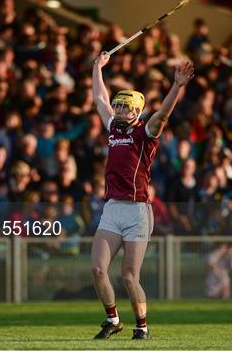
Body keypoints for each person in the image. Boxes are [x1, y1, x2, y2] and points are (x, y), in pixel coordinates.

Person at [91, 51, 194, 340]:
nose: (119, 110)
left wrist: (177, 86)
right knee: (99, 269)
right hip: (113, 208)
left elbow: (163, 114)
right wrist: (97, 67)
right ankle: (112, 319)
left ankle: (142, 325)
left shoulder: (145, 132)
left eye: (125, 107)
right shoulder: (113, 128)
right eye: (118, 106)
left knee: (128, 276)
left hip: (137, 211)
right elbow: (99, 98)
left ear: (136, 111)